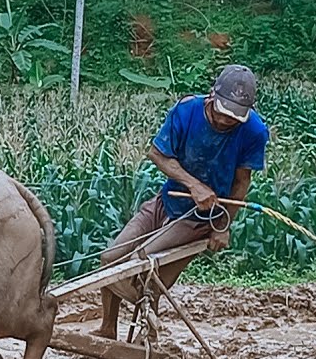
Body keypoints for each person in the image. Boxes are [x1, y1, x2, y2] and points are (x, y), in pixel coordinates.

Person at [93, 64, 270, 340]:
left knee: (143, 265)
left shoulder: (254, 132)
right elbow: (158, 153)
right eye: (222, 114)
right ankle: (107, 328)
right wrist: (193, 184)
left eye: (234, 118)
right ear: (212, 95)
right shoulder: (186, 111)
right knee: (110, 258)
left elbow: (241, 182)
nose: (226, 122)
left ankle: (148, 333)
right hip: (168, 199)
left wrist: (223, 225)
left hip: (201, 218)